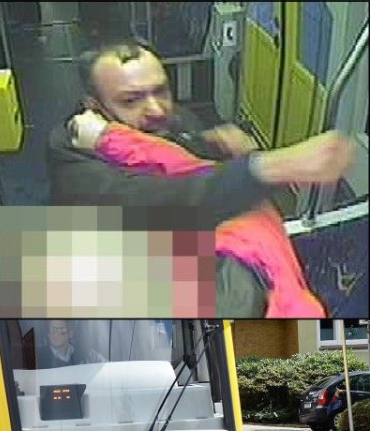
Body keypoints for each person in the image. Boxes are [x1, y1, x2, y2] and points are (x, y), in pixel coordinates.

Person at [47, 39, 355, 315]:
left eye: (161, 91)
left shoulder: (172, 121)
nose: (155, 108)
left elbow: (175, 158)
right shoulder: (72, 154)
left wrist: (208, 141)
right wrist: (266, 167)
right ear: (94, 107)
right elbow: (155, 202)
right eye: (131, 100)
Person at [69, 115, 328, 317]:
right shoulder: (255, 203)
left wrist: (102, 135)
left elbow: (161, 155)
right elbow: (165, 156)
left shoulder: (206, 181)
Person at [36, 320, 104, 369]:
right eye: (52, 329)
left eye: (61, 330)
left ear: (70, 334)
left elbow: (108, 367)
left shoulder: (88, 354)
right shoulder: (37, 357)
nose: (55, 334)